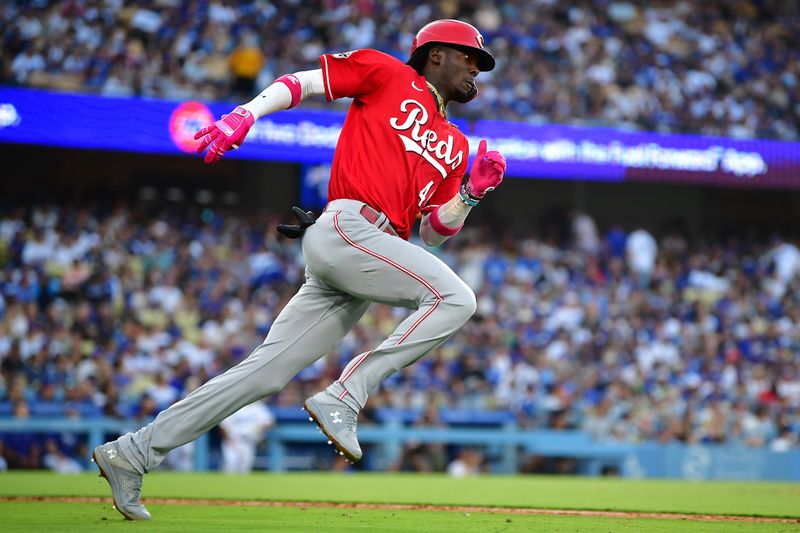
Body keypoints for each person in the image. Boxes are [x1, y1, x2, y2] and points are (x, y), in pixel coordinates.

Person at [92, 19, 506, 521]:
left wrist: (469, 194)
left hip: (372, 251)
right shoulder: (390, 74)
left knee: (262, 374)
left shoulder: (456, 143)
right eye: (470, 58)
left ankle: (132, 453)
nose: (476, 70)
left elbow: (435, 233)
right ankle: (347, 394)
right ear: (437, 54)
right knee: (458, 298)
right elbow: (303, 83)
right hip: (350, 227)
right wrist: (247, 113)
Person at [219, 399, 275, 473]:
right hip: (233, 440)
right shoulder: (233, 404)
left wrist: (260, 428)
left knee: (245, 466)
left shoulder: (258, 406)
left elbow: (270, 421)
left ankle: (240, 484)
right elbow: (223, 425)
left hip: (248, 441)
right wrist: (228, 439)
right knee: (231, 463)